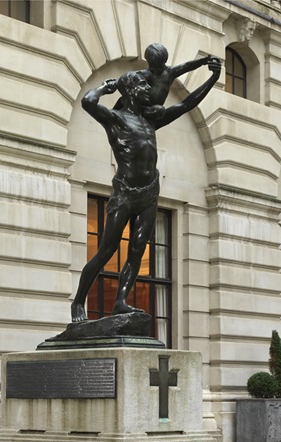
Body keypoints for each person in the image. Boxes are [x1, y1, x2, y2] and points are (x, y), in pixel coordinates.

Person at [71, 58, 221, 323]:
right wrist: (107, 88)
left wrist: (211, 80)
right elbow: (88, 102)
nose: (148, 90)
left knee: (137, 250)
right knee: (106, 250)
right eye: (142, 85)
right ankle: (78, 302)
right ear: (129, 91)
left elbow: (187, 104)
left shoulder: (152, 120)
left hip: (149, 192)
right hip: (125, 192)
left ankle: (121, 302)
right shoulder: (116, 119)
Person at [114, 43, 218, 116]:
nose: (154, 70)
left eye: (158, 67)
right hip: (142, 107)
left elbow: (187, 66)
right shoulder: (143, 74)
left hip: (155, 110)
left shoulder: (169, 72)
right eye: (152, 67)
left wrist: (203, 61)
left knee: (159, 110)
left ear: (165, 61)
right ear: (148, 62)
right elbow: (127, 85)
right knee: (124, 100)